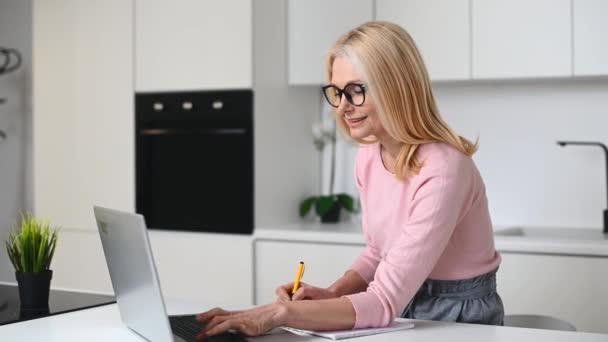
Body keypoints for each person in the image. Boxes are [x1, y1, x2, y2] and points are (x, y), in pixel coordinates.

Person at [195, 20, 504, 339]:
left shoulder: (444, 168)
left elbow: (383, 300)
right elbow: (376, 253)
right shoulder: (370, 154)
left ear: (395, 87)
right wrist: (333, 293)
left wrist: (281, 313)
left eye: (355, 91)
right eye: (337, 92)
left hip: (457, 317)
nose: (342, 107)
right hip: (403, 304)